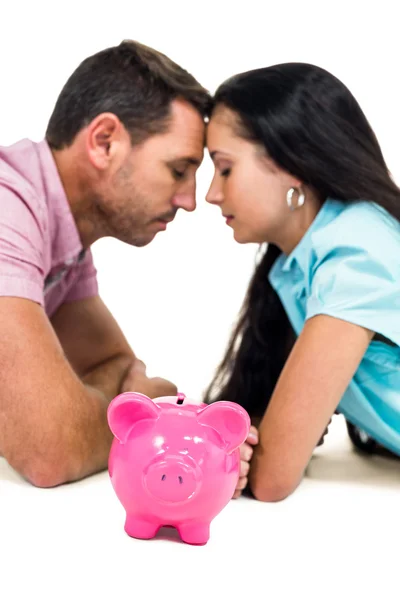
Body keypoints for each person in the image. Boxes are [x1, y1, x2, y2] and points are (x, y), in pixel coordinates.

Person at [0, 40, 210, 487]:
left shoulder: (63, 235)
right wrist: (136, 412)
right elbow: (50, 448)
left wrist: (95, 404)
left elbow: (115, 364)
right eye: (178, 170)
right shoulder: (6, 208)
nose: (190, 201)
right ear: (104, 141)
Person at [204, 63, 400, 502]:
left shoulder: (357, 250)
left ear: (291, 165)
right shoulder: (298, 266)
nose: (211, 194)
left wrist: (251, 453)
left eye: (225, 168)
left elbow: (272, 479)